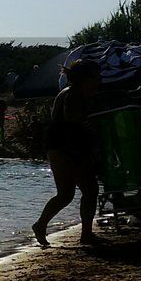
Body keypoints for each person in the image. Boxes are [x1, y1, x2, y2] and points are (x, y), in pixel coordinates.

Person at [32, 59, 102, 247]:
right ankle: (84, 234)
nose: (97, 81)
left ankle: (41, 225)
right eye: (94, 77)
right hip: (66, 147)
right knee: (87, 190)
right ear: (83, 78)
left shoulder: (75, 93)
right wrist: (91, 123)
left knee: (68, 194)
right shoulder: (73, 94)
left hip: (61, 147)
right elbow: (71, 117)